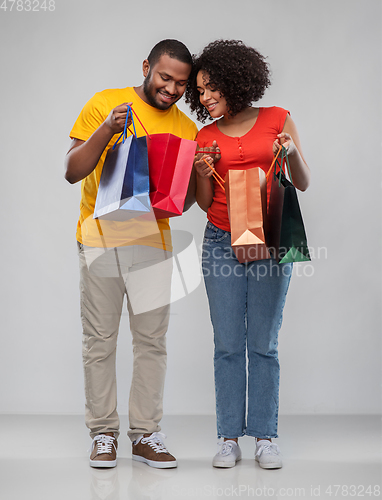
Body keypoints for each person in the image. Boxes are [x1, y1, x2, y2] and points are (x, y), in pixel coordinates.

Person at [65, 39, 198, 469]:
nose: (172, 89)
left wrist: (199, 171)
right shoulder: (106, 102)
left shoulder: (186, 129)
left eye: (180, 83)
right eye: (164, 77)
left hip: (153, 243)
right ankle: (103, 434)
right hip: (100, 239)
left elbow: (183, 201)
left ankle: (146, 435)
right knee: (100, 340)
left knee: (152, 343)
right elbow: (72, 171)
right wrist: (106, 129)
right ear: (146, 66)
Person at [185, 39, 310, 469]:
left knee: (263, 343)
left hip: (271, 239)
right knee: (227, 344)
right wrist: (203, 172)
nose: (205, 97)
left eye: (211, 87)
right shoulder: (205, 135)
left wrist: (290, 153)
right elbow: (203, 203)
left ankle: (265, 436)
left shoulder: (278, 119)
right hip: (221, 239)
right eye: (199, 91)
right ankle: (227, 437)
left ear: (236, 81)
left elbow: (304, 181)